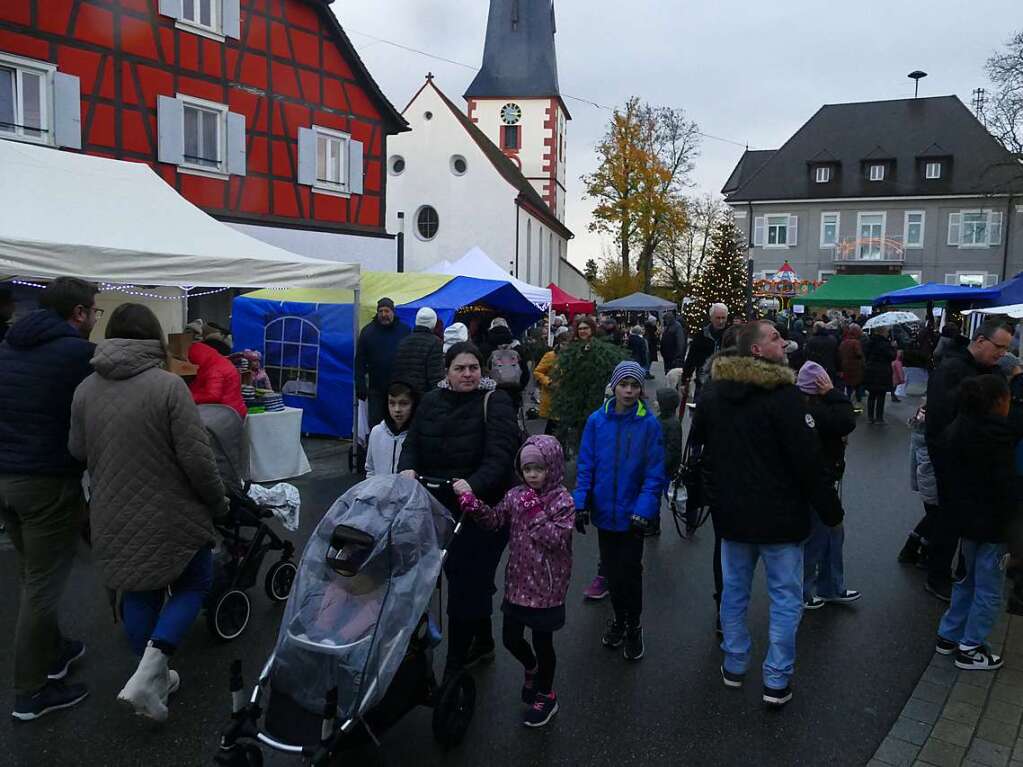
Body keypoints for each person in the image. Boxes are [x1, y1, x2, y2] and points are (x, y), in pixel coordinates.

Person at [68, 303, 226, 722]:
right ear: (153, 337)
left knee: (138, 587)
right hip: (170, 512)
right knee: (195, 579)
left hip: (111, 509)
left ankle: (150, 673)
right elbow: (198, 460)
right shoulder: (168, 387)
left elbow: (77, 451)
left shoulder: (85, 389)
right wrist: (218, 501)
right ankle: (150, 671)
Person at [689, 320, 843, 707]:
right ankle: (776, 678)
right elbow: (807, 461)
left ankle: (735, 663)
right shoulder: (784, 397)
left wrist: (716, 497)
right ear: (755, 351)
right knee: (785, 597)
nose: (784, 342)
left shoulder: (714, 394)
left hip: (734, 518)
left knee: (735, 593)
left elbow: (701, 453)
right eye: (775, 337)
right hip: (781, 520)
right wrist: (830, 510)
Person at [0, 277, 98, 721]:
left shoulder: (7, 344)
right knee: (42, 585)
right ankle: (30, 693)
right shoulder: (76, 353)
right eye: (93, 310)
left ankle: (55, 651)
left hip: (6, 478)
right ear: (78, 313)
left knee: (31, 572)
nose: (96, 318)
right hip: (44, 481)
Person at [398, 342, 520, 679]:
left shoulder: (495, 402)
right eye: (460, 368)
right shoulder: (431, 401)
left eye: (473, 368)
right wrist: (407, 467)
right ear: (447, 372)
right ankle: (482, 641)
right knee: (462, 578)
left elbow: (500, 455)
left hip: (485, 510)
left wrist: (473, 484)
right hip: (440, 507)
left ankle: (454, 664)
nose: (468, 374)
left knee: (467, 580)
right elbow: (413, 443)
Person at [453, 435, 574, 728]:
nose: (532, 474)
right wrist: (475, 506)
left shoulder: (562, 501)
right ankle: (530, 667)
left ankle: (547, 694)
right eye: (527, 468)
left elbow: (556, 540)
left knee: (544, 644)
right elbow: (496, 521)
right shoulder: (516, 494)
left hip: (547, 587)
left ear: (553, 467)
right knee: (510, 638)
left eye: (539, 468)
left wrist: (534, 511)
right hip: (518, 582)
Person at [573, 361, 666, 662]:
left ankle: (633, 624)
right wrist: (580, 502)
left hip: (632, 515)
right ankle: (618, 618)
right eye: (624, 384)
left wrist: (644, 510)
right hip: (604, 512)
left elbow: (654, 472)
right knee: (612, 572)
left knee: (630, 572)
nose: (628, 390)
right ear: (614, 386)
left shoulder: (648, 424)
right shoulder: (596, 421)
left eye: (634, 385)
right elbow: (586, 465)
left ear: (641, 389)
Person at [934, 375, 1019, 670]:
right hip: (992, 526)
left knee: (967, 580)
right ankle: (971, 647)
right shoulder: (998, 436)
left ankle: (949, 635)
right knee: (989, 587)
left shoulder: (959, 429)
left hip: (967, 522)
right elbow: (1005, 488)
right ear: (998, 402)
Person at [924, 320, 1012, 601]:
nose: (1003, 353)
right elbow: (939, 420)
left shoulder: (991, 371)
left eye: (1007, 348)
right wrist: (945, 460)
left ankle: (962, 574)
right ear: (981, 340)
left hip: (979, 461)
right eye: (999, 347)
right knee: (948, 519)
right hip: (953, 460)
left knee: (966, 521)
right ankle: (937, 577)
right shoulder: (952, 369)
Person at [796, 361, 860, 609]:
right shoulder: (819, 410)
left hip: (818, 480)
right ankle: (809, 590)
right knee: (819, 535)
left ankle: (828, 586)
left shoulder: (804, 407)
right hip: (819, 482)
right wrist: (835, 394)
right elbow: (847, 421)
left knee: (830, 532)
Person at [355, 298, 411, 428]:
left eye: (387, 311)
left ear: (393, 312)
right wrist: (360, 385)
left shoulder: (404, 331)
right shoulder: (368, 332)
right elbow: (360, 361)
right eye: (381, 311)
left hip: (399, 388)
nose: (384, 314)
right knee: (376, 425)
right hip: (376, 389)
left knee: (398, 425)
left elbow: (410, 359)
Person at [899, 402, 940, 567]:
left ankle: (916, 549)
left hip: (925, 470)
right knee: (936, 514)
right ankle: (917, 550)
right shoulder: (934, 418)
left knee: (934, 514)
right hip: (930, 470)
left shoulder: (925, 411)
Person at [365, 381, 416, 477]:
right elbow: (370, 469)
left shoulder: (417, 435)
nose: (397, 409)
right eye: (392, 403)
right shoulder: (377, 432)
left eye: (404, 404)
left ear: (413, 404)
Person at [391, 307, 444, 396]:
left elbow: (397, 372)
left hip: (406, 395)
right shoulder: (435, 342)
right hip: (425, 396)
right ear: (433, 323)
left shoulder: (403, 342)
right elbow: (435, 376)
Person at [187, 339, 247, 419]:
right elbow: (200, 384)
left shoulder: (214, 370)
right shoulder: (215, 362)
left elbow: (213, 395)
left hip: (227, 414)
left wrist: (188, 397)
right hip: (233, 409)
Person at [682, 303, 729, 396]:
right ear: (711, 318)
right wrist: (685, 380)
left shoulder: (730, 336)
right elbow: (691, 359)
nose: (721, 321)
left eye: (723, 318)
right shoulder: (701, 336)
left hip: (725, 385)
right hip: (703, 383)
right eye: (718, 318)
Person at [656, 387, 683, 537]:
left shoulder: (672, 424)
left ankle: (688, 512)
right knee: (656, 497)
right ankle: (653, 523)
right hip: (658, 466)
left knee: (672, 495)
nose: (655, 403)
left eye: (658, 402)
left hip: (666, 469)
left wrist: (664, 466)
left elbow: (673, 449)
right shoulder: (661, 420)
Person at [486, 320, 531, 411]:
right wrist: (520, 387)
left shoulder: (486, 349)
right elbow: (525, 373)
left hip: (493, 393)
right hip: (513, 392)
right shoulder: (517, 349)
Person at [533, 327, 570, 436]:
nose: (566, 347)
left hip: (568, 397)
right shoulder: (550, 356)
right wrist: (549, 382)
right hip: (553, 396)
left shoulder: (574, 356)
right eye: (564, 344)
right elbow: (538, 371)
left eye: (568, 344)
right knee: (552, 427)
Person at [863, 327, 897, 424]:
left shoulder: (870, 342)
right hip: (882, 371)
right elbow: (892, 356)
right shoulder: (885, 344)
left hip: (871, 370)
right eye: (886, 331)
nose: (888, 333)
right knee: (881, 395)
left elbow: (866, 354)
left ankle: (870, 417)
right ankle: (879, 417)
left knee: (872, 395)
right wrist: (894, 347)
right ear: (882, 332)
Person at [838, 323, 865, 409]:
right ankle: (857, 405)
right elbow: (859, 354)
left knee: (848, 387)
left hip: (845, 367)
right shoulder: (855, 342)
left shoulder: (843, 342)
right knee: (857, 387)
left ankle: (847, 403)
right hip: (856, 368)